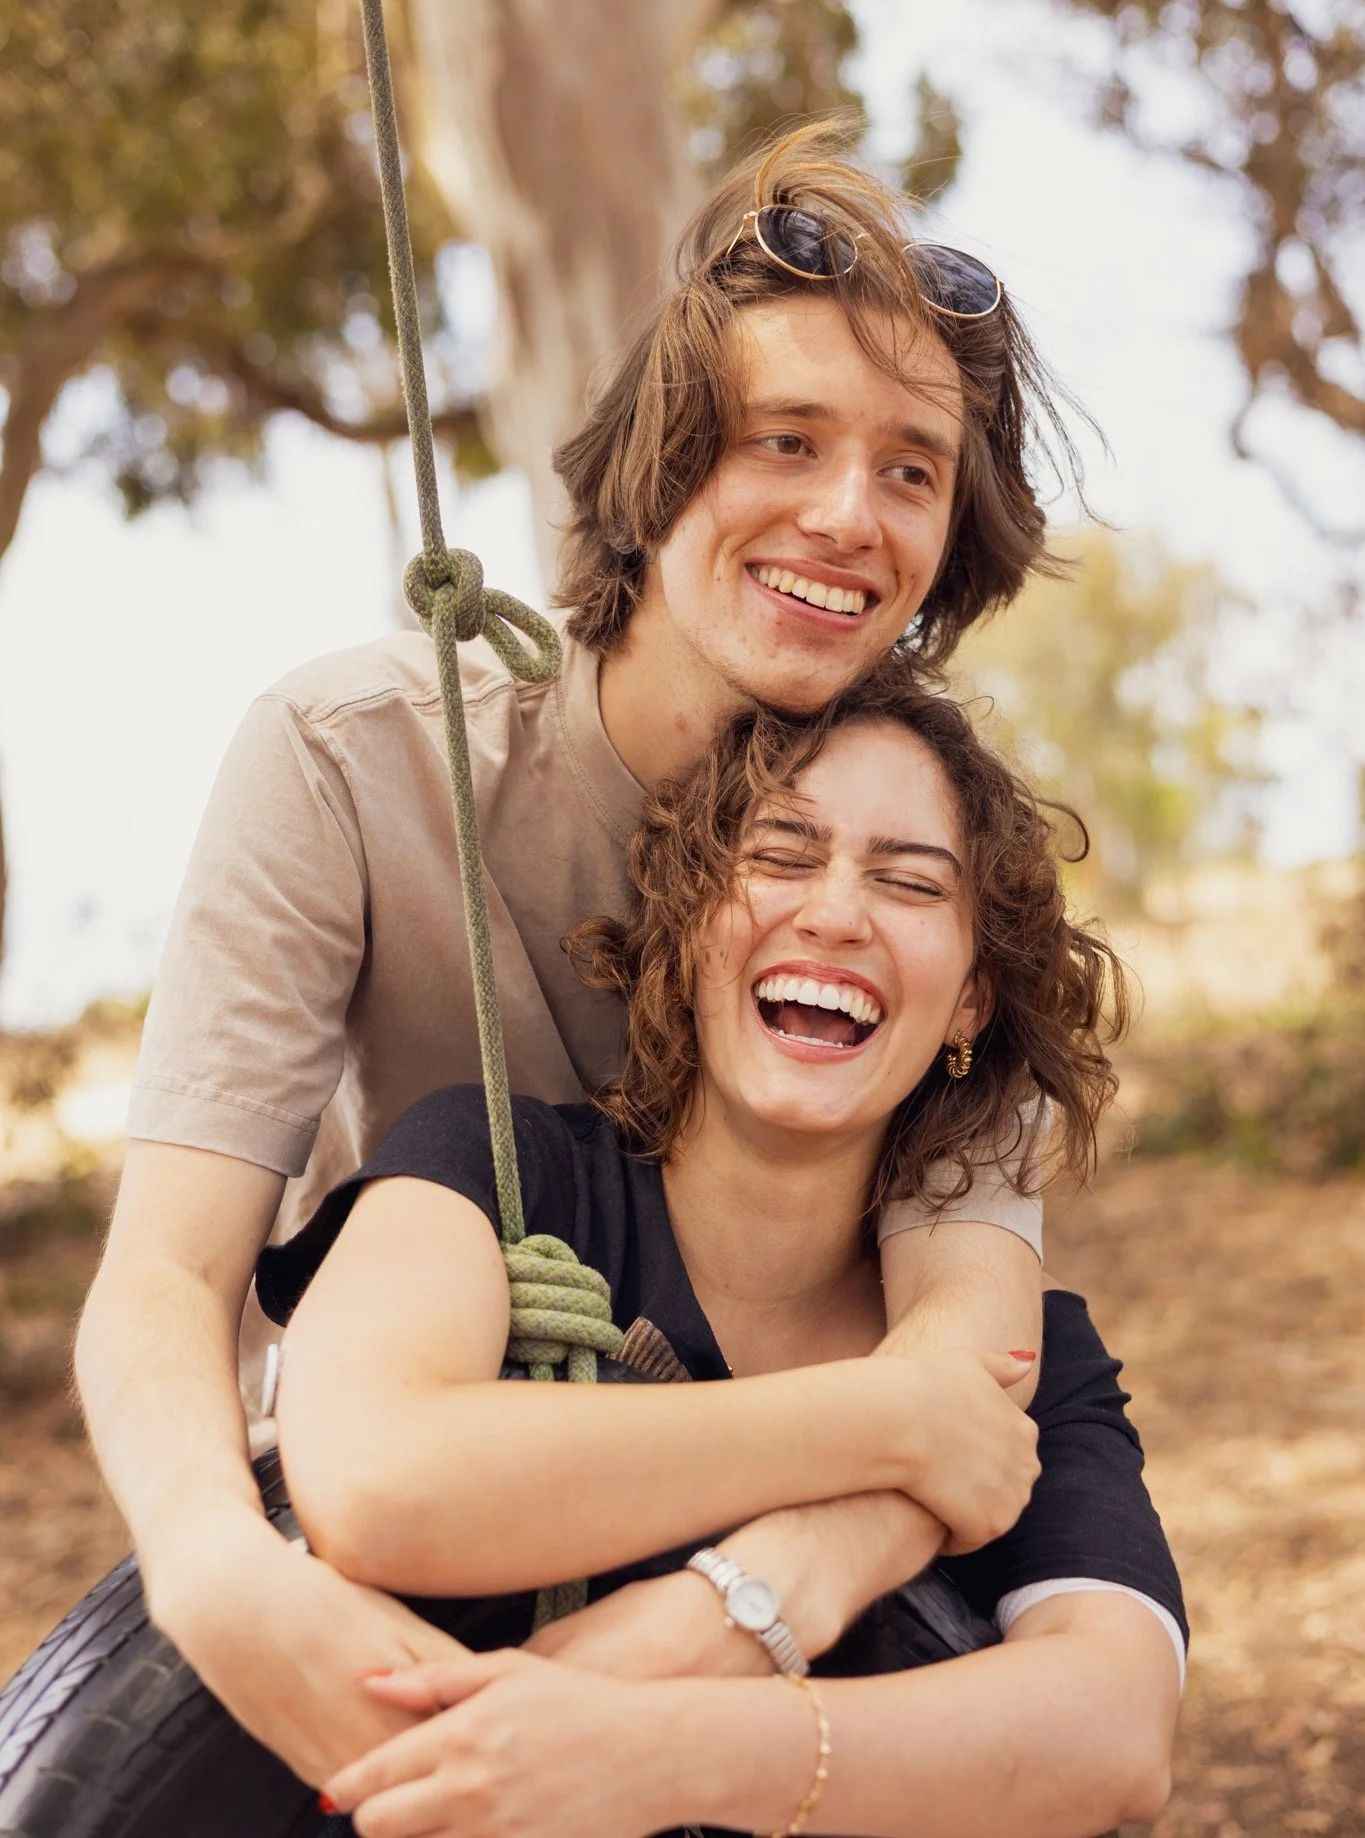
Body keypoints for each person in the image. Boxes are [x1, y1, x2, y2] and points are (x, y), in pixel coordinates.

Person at [76, 121, 1108, 1781]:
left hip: (759, 1538)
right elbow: (166, 1274)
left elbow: (962, 1363)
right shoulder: (352, 759)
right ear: (663, 464)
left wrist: (721, 1615)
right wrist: (213, 1570)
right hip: (402, 1492)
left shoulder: (924, 897)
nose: (848, 513)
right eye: (786, 439)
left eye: (913, 468)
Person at [255, 674, 1183, 1837]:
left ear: (970, 1001)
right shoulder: (503, 1175)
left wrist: (658, 1746)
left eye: (909, 882)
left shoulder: (1032, 1353)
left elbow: (1116, 1729)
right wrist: (893, 1419)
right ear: (691, 919)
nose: (836, 913)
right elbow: (378, 1480)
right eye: (782, 855)